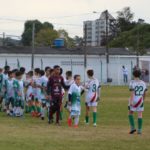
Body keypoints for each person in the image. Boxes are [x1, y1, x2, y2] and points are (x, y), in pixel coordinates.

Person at [128, 69, 147, 134]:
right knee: (140, 114)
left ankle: (133, 128)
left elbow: (132, 93)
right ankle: (139, 130)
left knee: (130, 113)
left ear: (133, 75)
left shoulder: (132, 82)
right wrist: (143, 100)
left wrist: (131, 101)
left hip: (134, 100)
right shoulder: (143, 83)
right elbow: (145, 93)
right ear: (140, 75)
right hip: (140, 100)